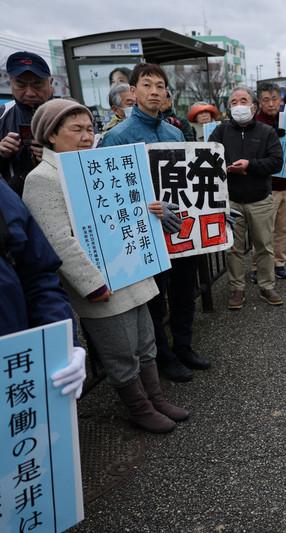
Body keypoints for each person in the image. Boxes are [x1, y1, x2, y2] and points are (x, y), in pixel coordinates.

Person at [24, 99, 188, 433]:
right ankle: (138, 407)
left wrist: (150, 208)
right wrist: (91, 283)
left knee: (145, 341)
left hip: (129, 267)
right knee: (120, 349)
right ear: (51, 135)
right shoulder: (42, 178)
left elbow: (124, 208)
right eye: (76, 129)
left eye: (89, 128)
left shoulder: (93, 164)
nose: (86, 136)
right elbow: (58, 240)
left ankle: (155, 398)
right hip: (101, 280)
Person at [100, 63, 208, 383]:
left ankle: (184, 345)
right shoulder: (116, 137)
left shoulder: (174, 132)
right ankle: (162, 354)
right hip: (146, 230)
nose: (155, 92)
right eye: (147, 85)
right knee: (154, 296)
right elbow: (111, 191)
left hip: (180, 227)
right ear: (132, 92)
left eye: (160, 86)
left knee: (184, 290)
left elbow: (188, 183)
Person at [1, 178, 86, 399]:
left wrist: (63, 344)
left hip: (13, 369)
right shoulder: (41, 179)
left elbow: (38, 275)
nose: (86, 140)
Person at [208, 86, 284, 309]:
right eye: (233, 102)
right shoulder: (220, 132)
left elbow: (276, 161)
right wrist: (224, 167)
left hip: (260, 200)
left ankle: (267, 286)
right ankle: (237, 289)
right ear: (229, 108)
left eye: (243, 100)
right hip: (231, 201)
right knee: (234, 248)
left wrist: (250, 166)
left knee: (264, 246)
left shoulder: (266, 132)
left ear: (253, 106)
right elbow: (207, 157)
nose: (239, 105)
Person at [256, 83, 286, 280]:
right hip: (266, 187)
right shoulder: (254, 123)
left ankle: (279, 262)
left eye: (274, 99)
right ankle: (259, 267)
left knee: (285, 228)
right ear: (259, 102)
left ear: (281, 100)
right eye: (266, 100)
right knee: (264, 231)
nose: (271, 104)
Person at [0, 52, 54, 195]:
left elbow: (89, 159)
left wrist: (56, 156)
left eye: (37, 84)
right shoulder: (2, 114)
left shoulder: (73, 114)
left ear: (51, 82)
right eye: (21, 84)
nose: (29, 93)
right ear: (11, 82)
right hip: (15, 208)